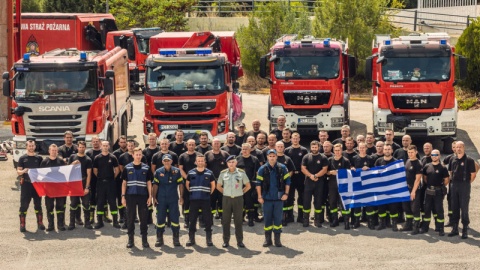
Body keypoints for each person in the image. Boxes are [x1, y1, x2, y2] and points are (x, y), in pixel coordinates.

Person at [256, 149, 291, 247]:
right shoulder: (262, 169)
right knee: (267, 219)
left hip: (279, 199)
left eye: (273, 156)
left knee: (278, 220)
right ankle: (268, 239)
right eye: (270, 156)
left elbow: (288, 182)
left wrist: (286, 194)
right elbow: (258, 184)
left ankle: (277, 240)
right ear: (267, 157)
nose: (272, 158)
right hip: (266, 199)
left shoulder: (282, 168)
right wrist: (259, 196)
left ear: (276, 157)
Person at [121, 147, 153, 248]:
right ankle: (131, 240)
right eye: (136, 154)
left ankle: (144, 240)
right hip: (130, 196)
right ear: (133, 155)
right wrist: (123, 196)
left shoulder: (146, 168)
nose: (138, 156)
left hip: (143, 196)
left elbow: (149, 183)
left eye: (140, 154)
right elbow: (124, 183)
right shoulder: (127, 167)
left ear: (142, 156)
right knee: (130, 218)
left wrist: (150, 196)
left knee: (143, 219)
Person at [217, 155, 251, 248]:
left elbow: (248, 185)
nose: (231, 164)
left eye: (233, 162)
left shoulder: (241, 173)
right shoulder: (223, 173)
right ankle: (226, 241)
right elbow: (218, 186)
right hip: (226, 199)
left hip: (238, 199)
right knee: (226, 221)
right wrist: (225, 192)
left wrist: (241, 192)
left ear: (236, 163)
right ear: (227, 164)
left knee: (238, 221)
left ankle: (239, 241)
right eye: (229, 162)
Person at [448, 141, 477, 239]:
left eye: (460, 147)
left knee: (464, 208)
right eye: (457, 147)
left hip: (464, 186)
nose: (458, 149)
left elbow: (473, 175)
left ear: (464, 148)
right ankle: (455, 228)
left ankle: (465, 229)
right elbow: (451, 172)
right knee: (454, 207)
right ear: (455, 148)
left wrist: (467, 184)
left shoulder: (469, 160)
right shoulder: (452, 159)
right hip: (454, 185)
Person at [152, 154, 183, 247]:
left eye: (168, 160)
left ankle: (176, 239)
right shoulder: (158, 171)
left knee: (175, 219)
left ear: (171, 161)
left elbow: (181, 184)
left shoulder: (177, 171)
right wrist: (154, 197)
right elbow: (155, 185)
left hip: (173, 198)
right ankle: (159, 238)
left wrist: (181, 196)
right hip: (161, 199)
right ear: (162, 162)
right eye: (165, 161)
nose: (166, 162)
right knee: (160, 218)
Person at [185, 155, 216, 247]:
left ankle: (209, 239)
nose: (200, 162)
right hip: (194, 200)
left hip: (205, 200)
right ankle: (191, 239)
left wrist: (208, 193)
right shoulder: (190, 173)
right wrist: (192, 192)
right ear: (195, 162)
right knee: (192, 220)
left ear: (204, 162)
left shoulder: (209, 173)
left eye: (202, 161)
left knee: (207, 220)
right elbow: (187, 184)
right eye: (198, 161)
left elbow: (213, 185)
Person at [17, 140, 44, 232]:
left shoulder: (39, 158)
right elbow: (18, 171)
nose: (31, 147)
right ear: (26, 147)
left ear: (35, 147)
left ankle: (40, 223)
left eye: (33, 146)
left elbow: (44, 172)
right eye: (29, 146)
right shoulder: (22, 158)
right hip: (26, 184)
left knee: (38, 205)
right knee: (24, 205)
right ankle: (22, 224)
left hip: (36, 184)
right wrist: (24, 170)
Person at [301, 140, 328, 228]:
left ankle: (317, 220)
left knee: (318, 201)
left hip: (319, 182)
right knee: (306, 201)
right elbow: (303, 168)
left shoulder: (323, 157)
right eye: (312, 147)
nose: (314, 149)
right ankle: (306, 220)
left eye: (316, 147)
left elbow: (325, 169)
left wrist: (316, 176)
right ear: (310, 147)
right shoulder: (306, 157)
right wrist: (311, 176)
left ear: (319, 147)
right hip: (308, 182)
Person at [93, 141, 120, 229]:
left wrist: (112, 178)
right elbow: (95, 170)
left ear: (109, 146)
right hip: (100, 183)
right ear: (101, 146)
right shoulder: (97, 158)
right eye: (103, 145)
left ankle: (115, 221)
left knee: (112, 202)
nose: (105, 147)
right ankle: (100, 222)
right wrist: (101, 177)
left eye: (106, 145)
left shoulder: (113, 157)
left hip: (110, 183)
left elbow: (117, 169)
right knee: (100, 202)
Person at [422, 149, 449, 236]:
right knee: (427, 209)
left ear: (439, 156)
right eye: (433, 155)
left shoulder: (443, 168)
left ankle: (441, 228)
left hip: (438, 191)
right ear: (431, 156)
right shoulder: (427, 166)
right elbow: (425, 178)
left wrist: (439, 187)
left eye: (436, 155)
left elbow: (446, 180)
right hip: (429, 190)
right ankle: (425, 227)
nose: (434, 156)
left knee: (439, 210)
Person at [41, 144, 67, 231]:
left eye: (55, 150)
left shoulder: (61, 161)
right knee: (49, 207)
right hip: (49, 189)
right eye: (52, 150)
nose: (54, 152)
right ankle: (51, 226)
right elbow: (41, 175)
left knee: (60, 207)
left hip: (59, 189)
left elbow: (65, 174)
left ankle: (60, 225)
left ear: (57, 151)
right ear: (49, 151)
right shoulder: (44, 162)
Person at [67, 141, 93, 230]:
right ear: (77, 148)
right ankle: (72, 223)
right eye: (80, 147)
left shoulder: (88, 159)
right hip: (74, 182)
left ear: (85, 148)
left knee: (86, 204)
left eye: (83, 147)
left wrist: (87, 187)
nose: (81, 149)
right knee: (73, 203)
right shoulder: (72, 157)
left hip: (83, 181)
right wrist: (72, 164)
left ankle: (87, 223)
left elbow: (89, 174)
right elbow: (67, 170)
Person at [284, 132, 309, 224]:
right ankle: (289, 216)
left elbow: (306, 163)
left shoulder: (304, 150)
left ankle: (300, 216)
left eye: (297, 138)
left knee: (301, 196)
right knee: (290, 197)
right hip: (291, 176)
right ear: (291, 139)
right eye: (293, 138)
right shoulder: (287, 150)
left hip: (301, 176)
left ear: (299, 139)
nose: (295, 140)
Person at [374, 144, 399, 231]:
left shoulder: (396, 162)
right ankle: (382, 224)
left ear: (392, 151)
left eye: (389, 149)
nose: (387, 151)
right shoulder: (378, 161)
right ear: (383, 151)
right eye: (385, 149)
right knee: (381, 207)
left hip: (392, 189)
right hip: (381, 189)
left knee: (393, 207)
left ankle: (394, 224)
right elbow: (375, 174)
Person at [327, 144, 352, 230]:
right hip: (332, 184)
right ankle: (335, 220)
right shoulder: (329, 160)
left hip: (343, 184)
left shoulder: (346, 161)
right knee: (332, 202)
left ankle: (346, 221)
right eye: (336, 150)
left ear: (341, 151)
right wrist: (330, 172)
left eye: (339, 150)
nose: (337, 152)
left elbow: (349, 173)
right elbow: (326, 172)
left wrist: (339, 172)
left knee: (344, 203)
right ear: (333, 151)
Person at [236, 143, 261, 227]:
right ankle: (241, 218)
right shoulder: (237, 159)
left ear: (250, 150)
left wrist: (257, 184)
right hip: (239, 184)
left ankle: (251, 218)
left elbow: (258, 173)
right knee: (240, 202)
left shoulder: (255, 159)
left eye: (246, 149)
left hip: (251, 184)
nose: (244, 151)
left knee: (250, 202)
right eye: (243, 149)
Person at [178, 139, 201, 228]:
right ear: (186, 145)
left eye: (193, 144)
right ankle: (186, 220)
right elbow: (180, 168)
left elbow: (202, 166)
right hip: (186, 182)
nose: (191, 146)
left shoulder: (199, 156)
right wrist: (188, 178)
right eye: (189, 144)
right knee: (186, 201)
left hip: (198, 182)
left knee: (197, 200)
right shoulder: (182, 156)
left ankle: (199, 219)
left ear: (195, 145)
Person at [352, 142, 375, 229]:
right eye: (360, 147)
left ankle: (370, 222)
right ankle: (356, 221)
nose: (362, 149)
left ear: (366, 148)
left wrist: (369, 169)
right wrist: (352, 168)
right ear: (357, 148)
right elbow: (351, 167)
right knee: (357, 203)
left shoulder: (370, 158)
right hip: (358, 184)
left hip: (368, 184)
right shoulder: (354, 158)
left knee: (369, 204)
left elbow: (374, 170)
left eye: (363, 147)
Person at [205, 138, 229, 220]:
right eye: (215, 143)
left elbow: (229, 166)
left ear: (220, 144)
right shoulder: (207, 154)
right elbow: (204, 167)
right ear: (212, 144)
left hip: (223, 181)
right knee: (212, 199)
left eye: (218, 143)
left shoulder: (225, 154)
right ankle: (210, 218)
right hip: (211, 182)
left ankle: (222, 217)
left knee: (222, 200)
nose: (216, 145)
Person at [402, 145, 423, 234]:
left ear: (416, 152)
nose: (410, 154)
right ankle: (408, 225)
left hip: (414, 189)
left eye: (412, 152)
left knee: (415, 208)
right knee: (406, 207)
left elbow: (418, 179)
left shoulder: (418, 163)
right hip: (406, 188)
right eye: (409, 152)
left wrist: (413, 191)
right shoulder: (407, 161)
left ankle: (416, 227)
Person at [275, 141, 295, 226]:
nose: (280, 148)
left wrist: (286, 178)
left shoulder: (287, 159)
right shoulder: (272, 157)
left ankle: (285, 217)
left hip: (285, 183)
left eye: (281, 146)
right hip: (274, 183)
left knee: (286, 200)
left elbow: (291, 170)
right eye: (278, 146)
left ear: (284, 148)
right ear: (275, 148)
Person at [86, 136, 102, 224]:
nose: (95, 143)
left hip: (101, 179)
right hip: (92, 179)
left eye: (97, 141)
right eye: (94, 141)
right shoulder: (88, 153)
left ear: (99, 142)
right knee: (92, 198)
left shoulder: (103, 152)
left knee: (103, 197)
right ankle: (91, 216)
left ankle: (104, 215)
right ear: (91, 142)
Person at [112, 136, 128, 225]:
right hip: (119, 179)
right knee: (120, 197)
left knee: (130, 197)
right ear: (118, 143)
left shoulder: (131, 152)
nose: (123, 144)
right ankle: (121, 216)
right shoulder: (115, 154)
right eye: (121, 142)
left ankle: (133, 216)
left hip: (130, 179)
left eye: (124, 142)